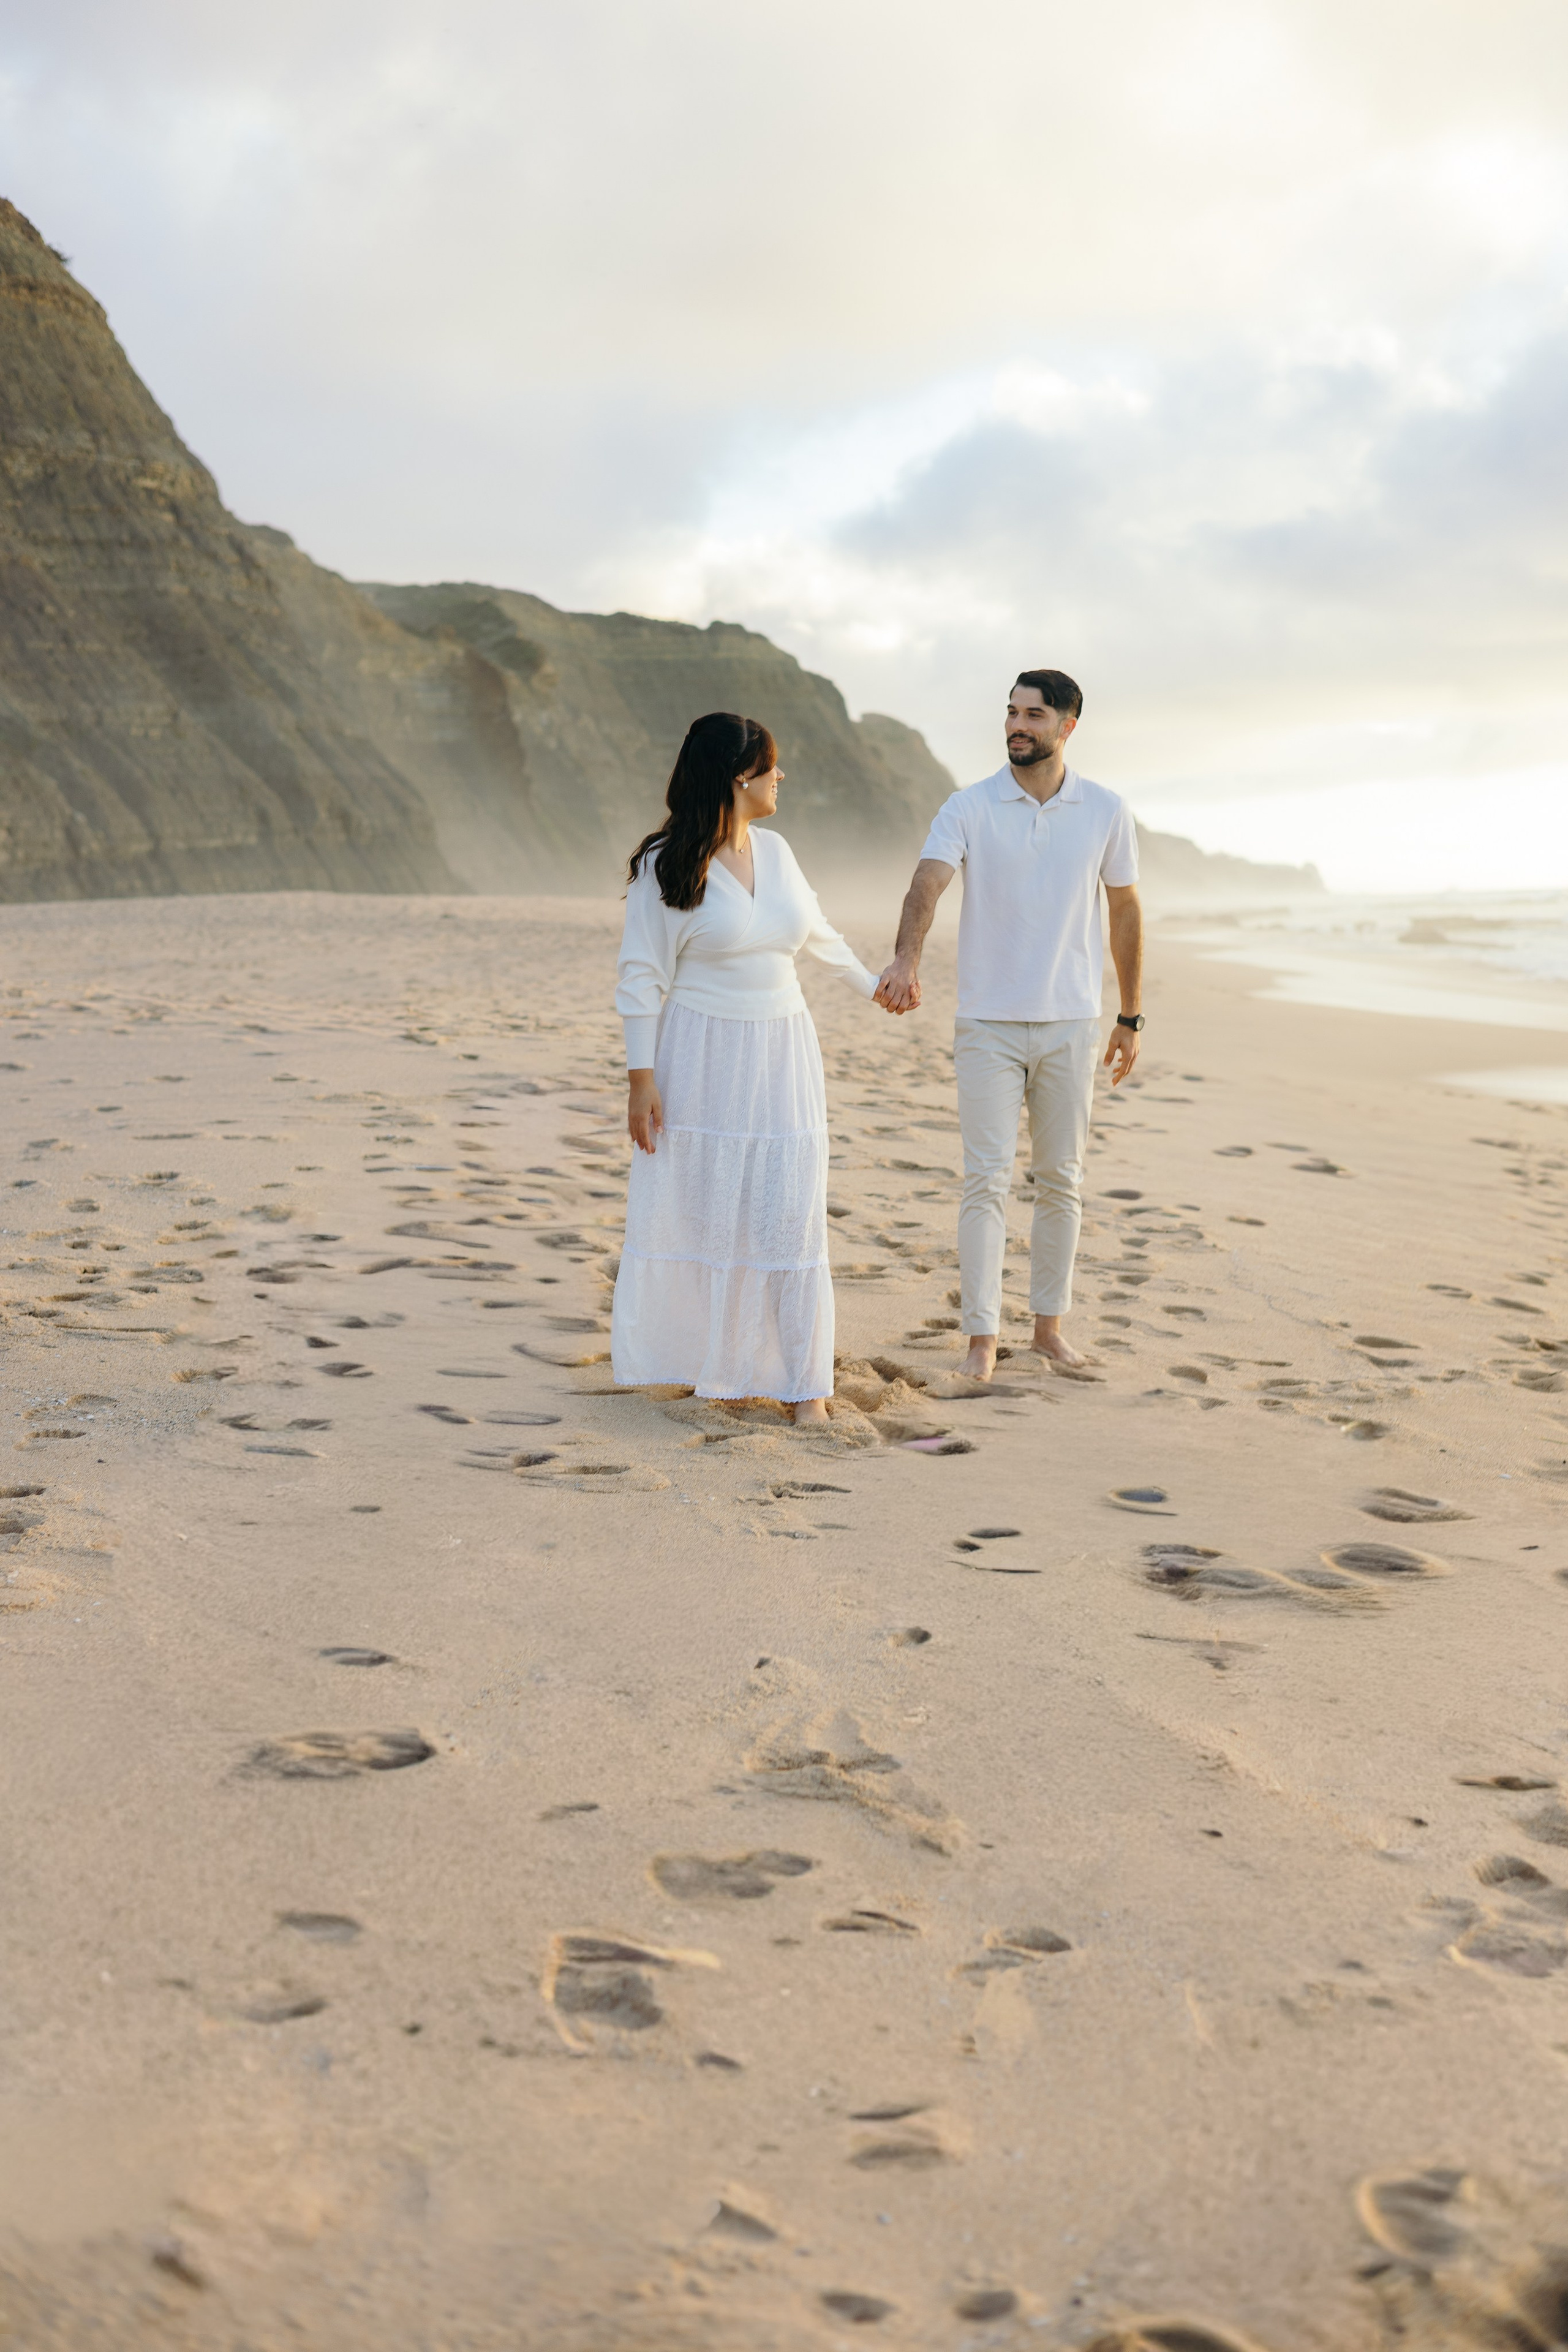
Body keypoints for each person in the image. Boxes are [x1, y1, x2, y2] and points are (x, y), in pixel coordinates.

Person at [612, 710, 897, 1423]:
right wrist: (639, 1079)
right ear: (741, 779)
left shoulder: (778, 851)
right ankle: (724, 1375)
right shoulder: (666, 864)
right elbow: (641, 976)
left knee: (789, 1212)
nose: (781, 778)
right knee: (712, 1213)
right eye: (772, 768)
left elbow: (819, 937)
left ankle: (808, 1392)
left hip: (782, 1049)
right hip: (701, 1053)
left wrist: (876, 986)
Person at [875, 669, 1143, 1379]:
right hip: (988, 1023)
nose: (1017, 725)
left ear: (1067, 727)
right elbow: (927, 883)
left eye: (1033, 715)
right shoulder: (968, 806)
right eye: (1011, 713)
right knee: (985, 1181)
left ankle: (1049, 1331)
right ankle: (980, 1340)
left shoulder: (1106, 809)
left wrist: (1130, 1015)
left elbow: (1124, 911)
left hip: (1071, 1023)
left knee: (1061, 1180)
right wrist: (906, 957)